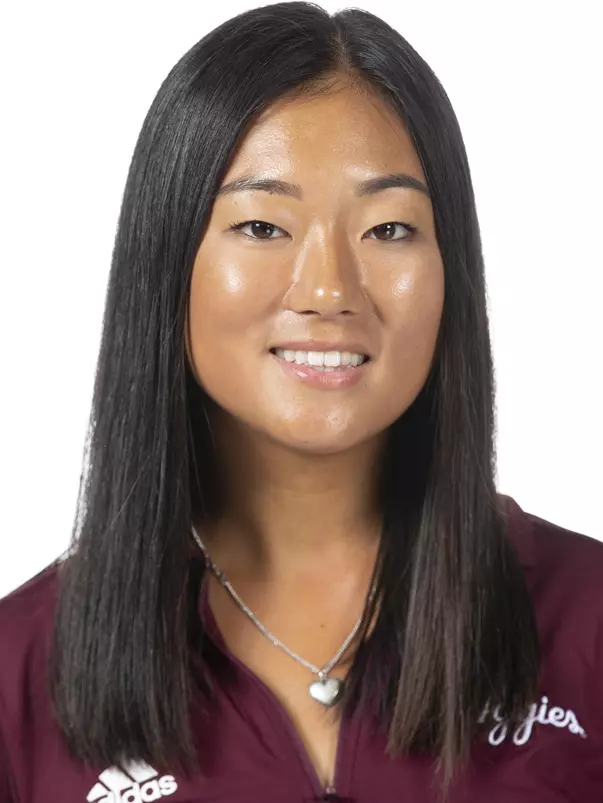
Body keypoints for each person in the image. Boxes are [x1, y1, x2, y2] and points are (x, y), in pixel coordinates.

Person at [1, 2, 602, 801]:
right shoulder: (18, 669)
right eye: (261, 226)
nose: (328, 289)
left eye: (388, 229)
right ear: (167, 265)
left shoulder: (586, 616)